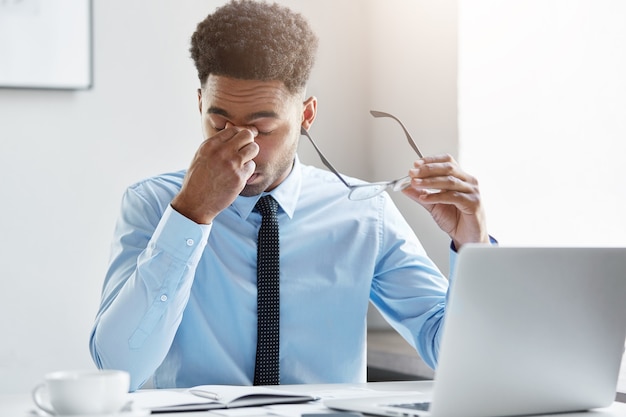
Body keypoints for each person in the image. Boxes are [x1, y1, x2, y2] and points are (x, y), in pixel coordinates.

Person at [90, 0, 490, 392]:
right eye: (219, 123)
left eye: (263, 129)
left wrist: (471, 247)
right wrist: (191, 214)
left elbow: (460, 358)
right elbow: (119, 368)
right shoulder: (155, 205)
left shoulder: (365, 214)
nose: (241, 145)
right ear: (200, 104)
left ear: (306, 116)